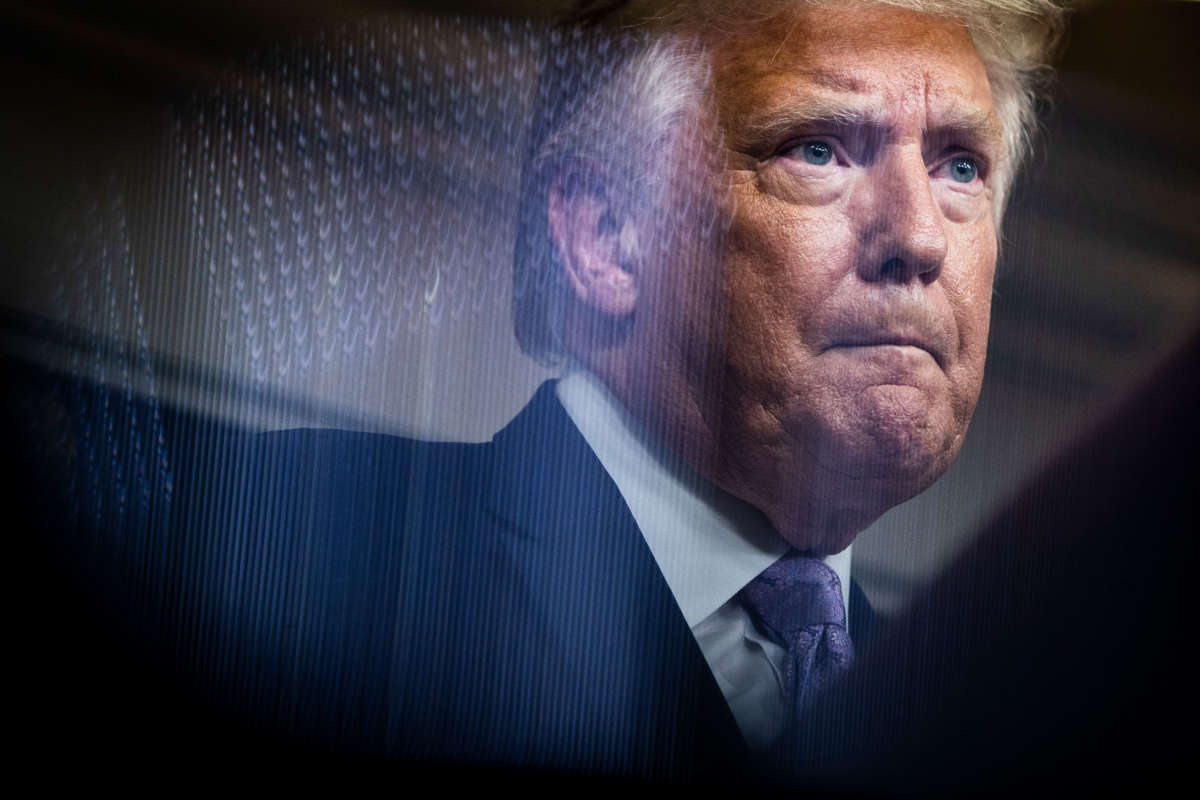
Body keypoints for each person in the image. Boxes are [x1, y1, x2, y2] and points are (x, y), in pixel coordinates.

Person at [9, 0, 1065, 785]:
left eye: (962, 167)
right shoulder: (233, 545)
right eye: (820, 148)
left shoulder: (978, 736)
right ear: (605, 236)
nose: (921, 236)